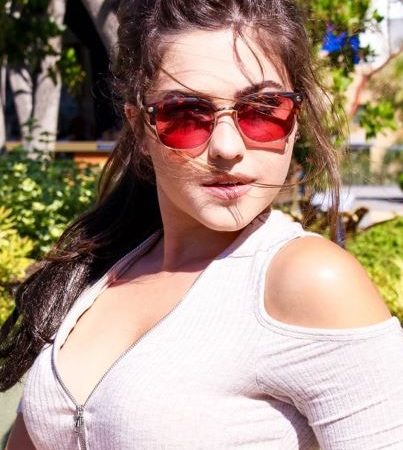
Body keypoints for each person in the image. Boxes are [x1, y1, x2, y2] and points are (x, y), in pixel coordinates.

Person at [2, 1, 403, 449]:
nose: (227, 148)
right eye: (185, 115)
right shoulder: (99, 269)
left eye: (262, 109)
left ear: (294, 121)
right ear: (140, 130)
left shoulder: (309, 280)